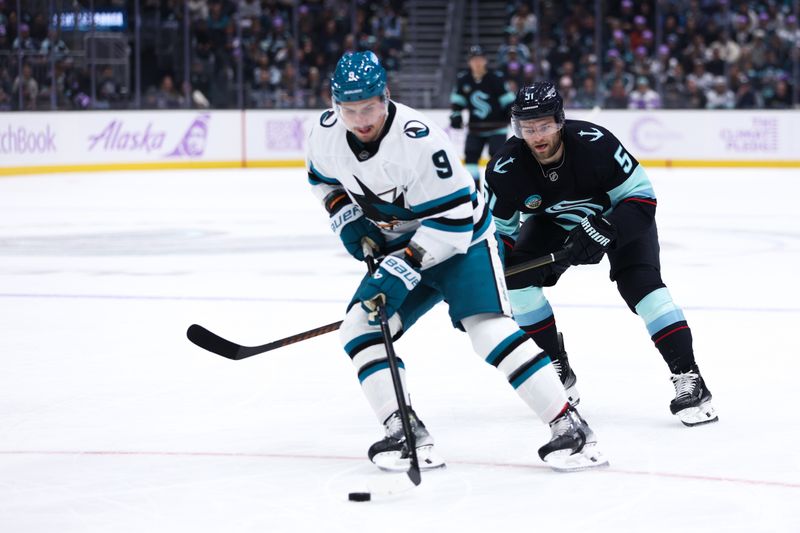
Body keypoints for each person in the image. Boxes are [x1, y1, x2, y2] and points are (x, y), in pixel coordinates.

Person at [306, 52, 608, 473]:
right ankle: (405, 433)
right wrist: (348, 218)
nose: (360, 120)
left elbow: (453, 219)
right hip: (402, 244)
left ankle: (570, 430)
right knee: (360, 326)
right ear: (335, 106)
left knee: (486, 329)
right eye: (350, 110)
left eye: (370, 107)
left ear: (386, 97)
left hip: (463, 240)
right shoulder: (324, 134)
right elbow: (322, 179)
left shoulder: (419, 141)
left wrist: (404, 265)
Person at [484, 82, 718, 427]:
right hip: (554, 223)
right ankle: (555, 367)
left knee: (642, 286)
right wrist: (489, 283)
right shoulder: (505, 169)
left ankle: (690, 378)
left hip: (616, 217)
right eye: (528, 128)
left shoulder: (596, 144)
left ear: (560, 120)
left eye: (545, 125)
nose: (537, 136)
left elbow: (642, 198)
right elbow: (499, 234)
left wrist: (605, 230)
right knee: (517, 279)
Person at [449, 45, 515, 189]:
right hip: (475, 129)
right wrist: (456, 115)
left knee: (497, 159)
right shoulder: (463, 79)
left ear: (485, 60)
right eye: (474, 59)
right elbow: (457, 102)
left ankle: (497, 190)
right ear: (469, 62)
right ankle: (475, 192)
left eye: (480, 59)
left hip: (497, 128)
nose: (477, 62)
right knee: (470, 158)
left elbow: (508, 100)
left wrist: (511, 114)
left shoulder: (496, 78)